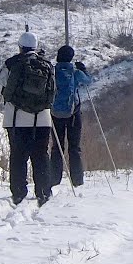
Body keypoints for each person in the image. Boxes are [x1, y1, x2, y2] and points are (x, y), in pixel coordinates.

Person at [0, 31, 55, 206]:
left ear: (20, 46)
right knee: (41, 155)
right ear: (35, 46)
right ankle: (43, 191)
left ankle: (19, 193)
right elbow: (52, 93)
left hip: (16, 118)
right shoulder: (47, 65)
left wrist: (3, 95)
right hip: (42, 119)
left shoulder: (12, 63)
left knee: (18, 156)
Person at [50, 45, 92, 189]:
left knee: (57, 147)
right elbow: (88, 81)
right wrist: (84, 69)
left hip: (55, 114)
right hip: (73, 115)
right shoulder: (74, 72)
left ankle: (54, 179)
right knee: (74, 148)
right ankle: (77, 180)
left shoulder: (52, 71)